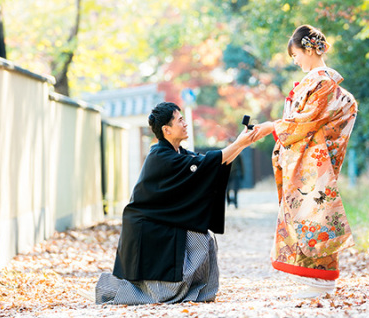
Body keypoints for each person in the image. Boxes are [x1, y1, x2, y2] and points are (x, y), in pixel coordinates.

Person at [95, 102, 255, 305]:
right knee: (196, 244)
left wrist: (242, 144)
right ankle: (116, 290)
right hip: (148, 226)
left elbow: (212, 164)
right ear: (166, 129)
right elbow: (207, 164)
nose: (185, 123)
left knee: (205, 239)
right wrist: (240, 143)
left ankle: (197, 291)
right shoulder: (160, 156)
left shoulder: (179, 153)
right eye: (180, 120)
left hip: (163, 220)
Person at [252, 25, 358, 299]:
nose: (295, 60)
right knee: (308, 214)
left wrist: (273, 127)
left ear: (308, 49)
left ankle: (323, 281)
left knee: (317, 212)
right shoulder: (314, 81)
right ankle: (317, 278)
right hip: (308, 155)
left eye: (295, 54)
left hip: (314, 158)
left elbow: (307, 120)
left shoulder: (323, 82)